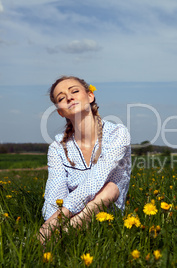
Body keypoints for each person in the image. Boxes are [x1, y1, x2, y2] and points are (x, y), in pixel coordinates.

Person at [39, 76, 131, 241]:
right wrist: (51, 218)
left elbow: (96, 180)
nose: (69, 97)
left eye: (74, 91)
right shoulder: (57, 147)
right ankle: (64, 234)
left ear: (90, 96)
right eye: (61, 98)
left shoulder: (117, 133)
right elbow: (54, 191)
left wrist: (51, 225)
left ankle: (61, 235)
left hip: (107, 215)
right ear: (60, 112)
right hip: (66, 216)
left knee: (111, 188)